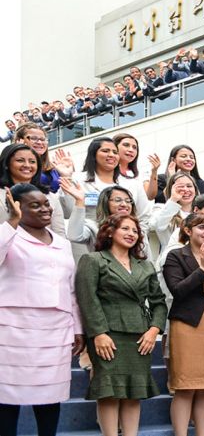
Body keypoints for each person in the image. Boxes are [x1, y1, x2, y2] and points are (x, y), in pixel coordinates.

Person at [0, 186, 84, 436]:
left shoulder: (61, 242)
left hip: (55, 329)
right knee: (7, 392)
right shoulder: (7, 234)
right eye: (35, 205)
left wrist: (78, 329)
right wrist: (12, 222)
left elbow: (70, 289)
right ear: (16, 207)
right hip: (13, 328)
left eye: (46, 203)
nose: (45, 209)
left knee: (50, 393)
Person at [74, 214, 167, 436]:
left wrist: (153, 330)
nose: (131, 234)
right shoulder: (93, 260)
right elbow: (87, 298)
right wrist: (98, 333)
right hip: (108, 334)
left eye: (135, 231)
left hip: (140, 337)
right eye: (125, 229)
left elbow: (159, 303)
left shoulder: (145, 265)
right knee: (109, 392)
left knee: (134, 393)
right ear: (109, 231)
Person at [161, 213, 204, 436]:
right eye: (202, 227)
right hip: (187, 324)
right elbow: (178, 291)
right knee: (185, 386)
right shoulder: (175, 256)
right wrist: (202, 269)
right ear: (187, 230)